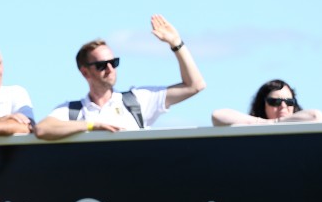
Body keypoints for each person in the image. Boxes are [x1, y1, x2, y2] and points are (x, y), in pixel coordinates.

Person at [34, 14, 206, 140]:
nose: (109, 69)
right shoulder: (73, 111)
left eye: (113, 62)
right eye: (101, 65)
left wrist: (176, 43)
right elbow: (42, 129)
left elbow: (195, 85)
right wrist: (92, 125)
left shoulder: (137, 101)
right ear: (85, 72)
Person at [211, 79, 322, 126]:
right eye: (275, 101)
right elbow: (217, 115)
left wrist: (276, 122)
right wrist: (262, 123)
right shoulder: (252, 126)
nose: (283, 106)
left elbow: (316, 116)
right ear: (262, 105)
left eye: (289, 102)